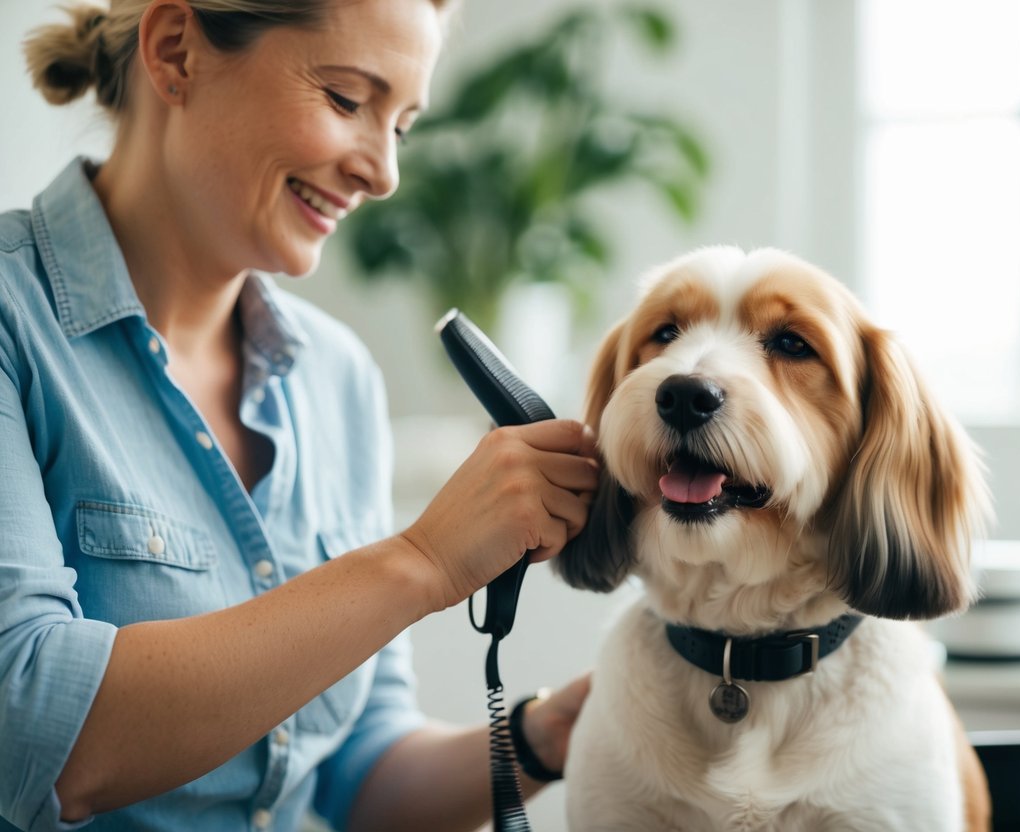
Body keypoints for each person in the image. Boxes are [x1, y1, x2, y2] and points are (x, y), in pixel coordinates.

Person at [0, 1, 600, 830]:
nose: (383, 173)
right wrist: (421, 561)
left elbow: (361, 773)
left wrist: (549, 735)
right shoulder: (12, 322)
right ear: (176, 51)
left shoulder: (337, 379)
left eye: (403, 126)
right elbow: (35, 732)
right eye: (349, 100)